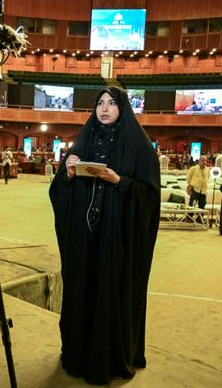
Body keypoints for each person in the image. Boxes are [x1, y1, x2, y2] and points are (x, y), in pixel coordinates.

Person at [49, 86, 160, 385]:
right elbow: (59, 190)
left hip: (117, 239)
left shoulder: (139, 145)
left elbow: (149, 196)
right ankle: (78, 354)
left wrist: (119, 181)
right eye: (100, 103)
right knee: (83, 288)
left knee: (110, 292)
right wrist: (68, 172)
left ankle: (107, 360)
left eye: (112, 103)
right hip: (84, 238)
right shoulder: (84, 139)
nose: (105, 108)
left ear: (122, 108)